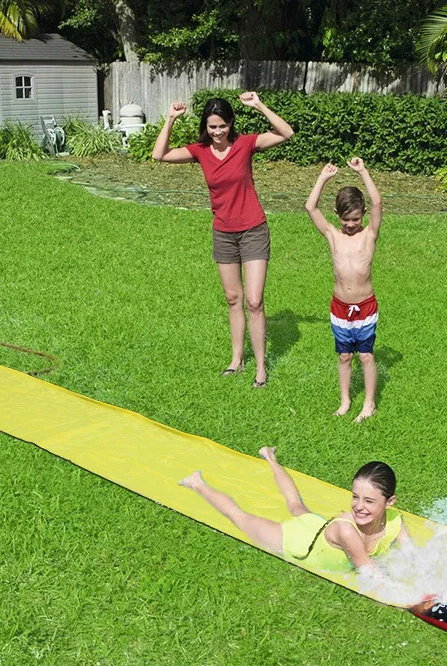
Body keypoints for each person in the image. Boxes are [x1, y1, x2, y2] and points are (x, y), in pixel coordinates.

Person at [152, 93, 294, 388]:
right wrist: (170, 119)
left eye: (222, 126)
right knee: (234, 299)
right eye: (212, 127)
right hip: (224, 233)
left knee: (254, 301)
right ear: (206, 126)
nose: (217, 132)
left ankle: (261, 369)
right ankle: (237, 360)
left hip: (253, 229)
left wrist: (259, 105)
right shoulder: (200, 150)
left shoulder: (245, 145)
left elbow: (286, 132)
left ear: (231, 124)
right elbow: (160, 154)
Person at [180, 447, 411, 579]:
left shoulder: (395, 522)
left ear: (389, 502)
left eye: (369, 501)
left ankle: (270, 457)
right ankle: (197, 483)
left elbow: (415, 556)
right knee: (239, 517)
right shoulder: (346, 530)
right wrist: (409, 597)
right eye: (355, 496)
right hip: (298, 542)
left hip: (317, 529)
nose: (359, 506)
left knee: (295, 504)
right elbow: (369, 571)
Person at [305, 159, 383, 421]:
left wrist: (363, 172)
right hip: (339, 307)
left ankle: (369, 403)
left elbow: (378, 203)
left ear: (362, 215)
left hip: (365, 306)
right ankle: (345, 400)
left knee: (366, 356)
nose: (350, 224)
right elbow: (310, 207)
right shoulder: (332, 234)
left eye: (355, 219)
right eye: (346, 219)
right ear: (337, 216)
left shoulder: (369, 234)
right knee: (344, 357)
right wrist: (322, 178)